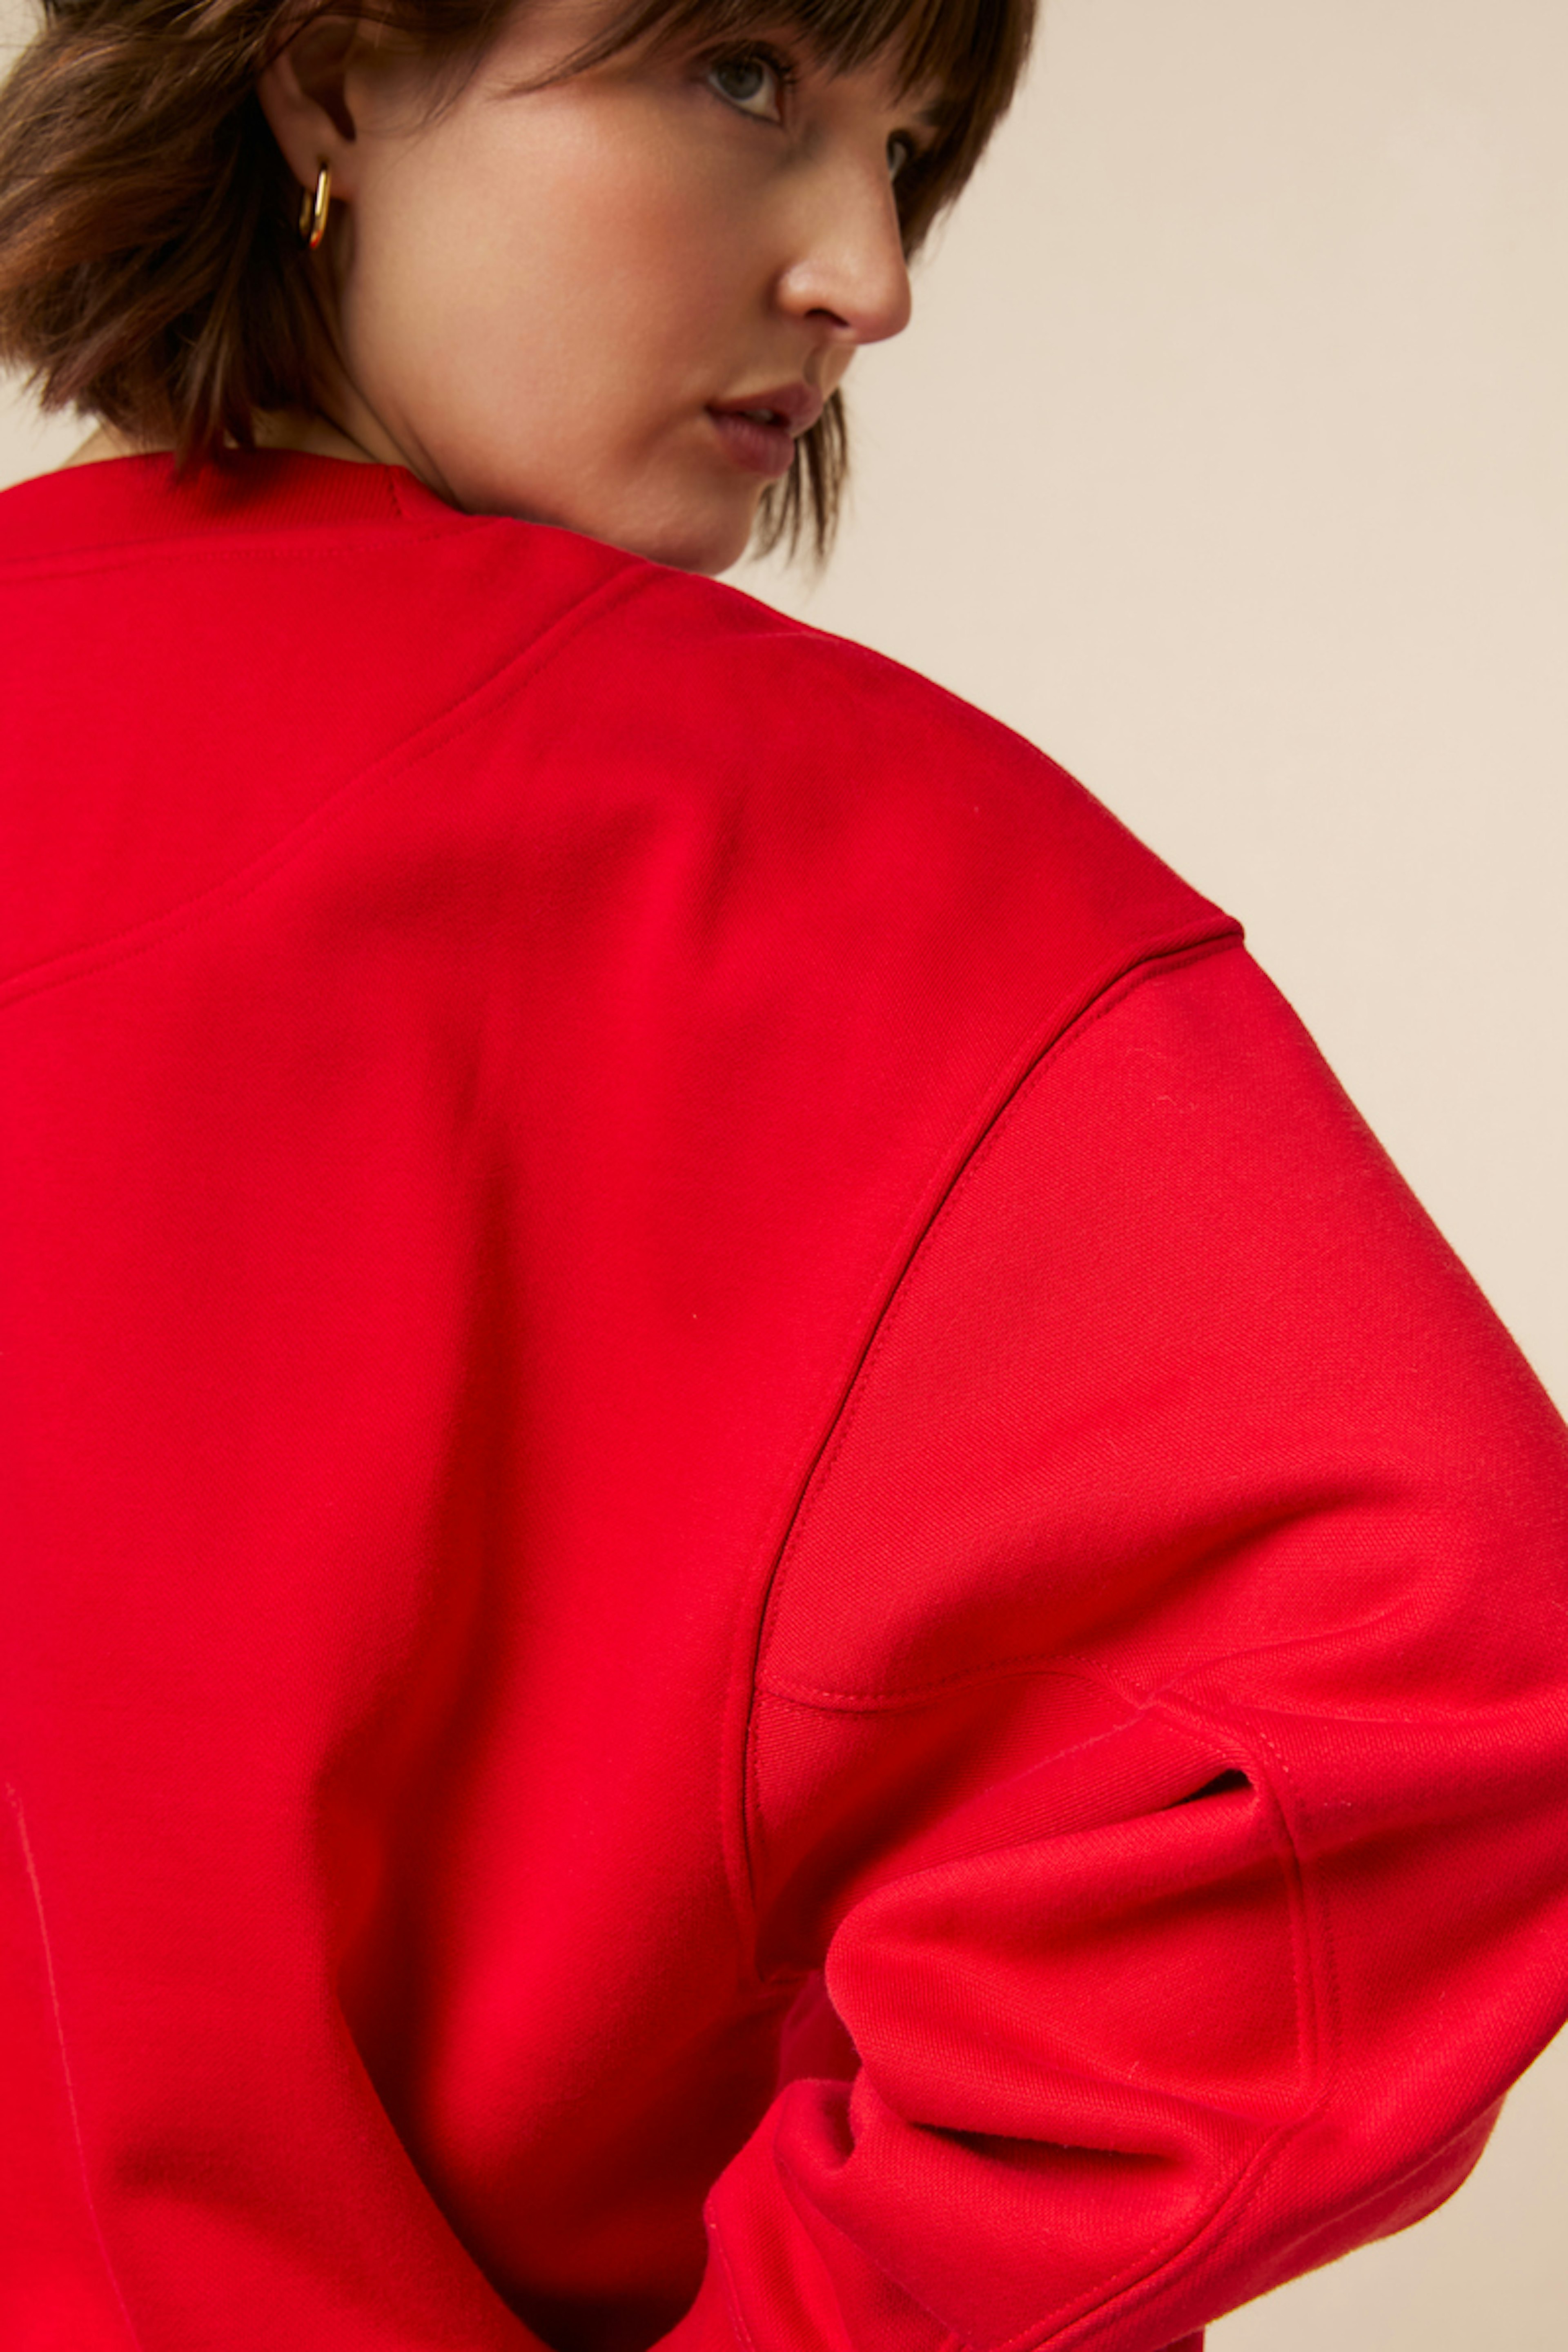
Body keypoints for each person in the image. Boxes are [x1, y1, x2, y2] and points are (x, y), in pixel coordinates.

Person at [2, 1, 1566, 2349]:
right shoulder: (824, 857)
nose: (873, 276)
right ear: (327, 72)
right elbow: (1453, 1663)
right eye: (743, 75)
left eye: (906, 149)